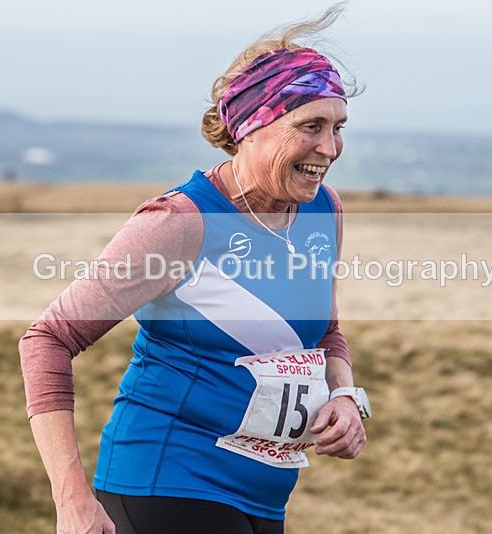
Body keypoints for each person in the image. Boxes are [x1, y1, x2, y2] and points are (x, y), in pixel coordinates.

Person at [19, 5, 370, 533]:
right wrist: (71, 499)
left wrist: (344, 394)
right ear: (251, 127)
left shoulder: (324, 209)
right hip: (167, 481)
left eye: (338, 127)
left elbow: (325, 332)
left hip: (264, 498)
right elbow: (47, 339)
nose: (329, 148)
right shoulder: (182, 222)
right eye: (310, 126)